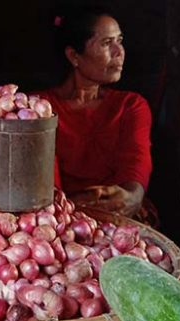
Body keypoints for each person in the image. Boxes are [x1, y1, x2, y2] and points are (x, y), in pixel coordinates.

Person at [39, 6, 157, 224]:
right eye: (106, 43)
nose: (119, 52)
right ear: (74, 56)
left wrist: (133, 197)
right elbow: (46, 190)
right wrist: (70, 216)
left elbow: (136, 162)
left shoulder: (131, 106)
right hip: (60, 221)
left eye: (119, 41)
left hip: (119, 216)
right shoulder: (39, 109)